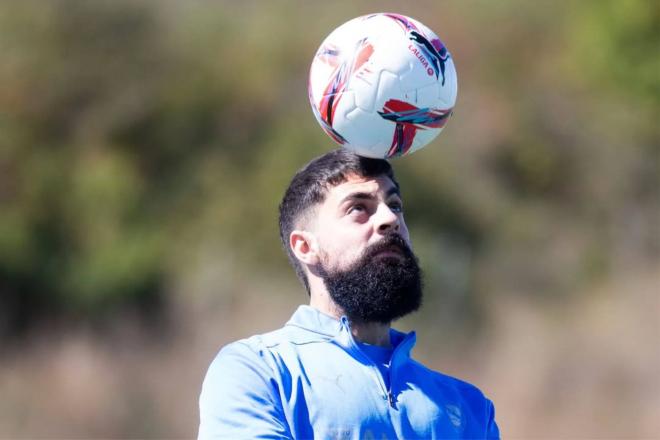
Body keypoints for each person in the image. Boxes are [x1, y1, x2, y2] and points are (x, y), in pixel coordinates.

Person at [198, 149, 500, 439]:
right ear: (306, 247)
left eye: (394, 205)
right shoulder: (260, 372)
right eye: (358, 208)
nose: (390, 219)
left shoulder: (469, 408)